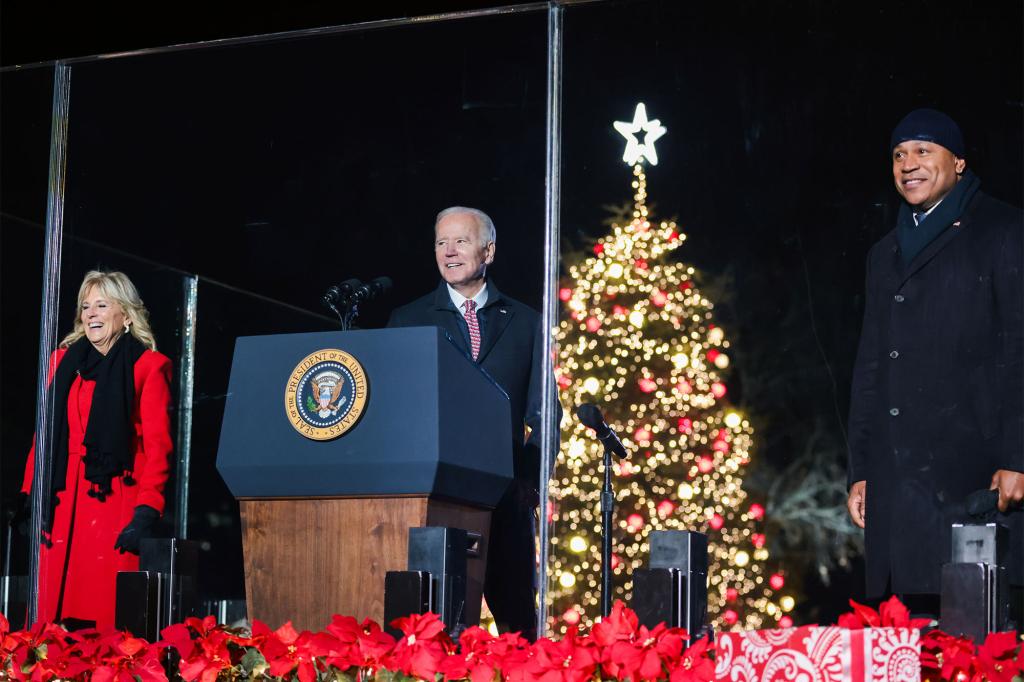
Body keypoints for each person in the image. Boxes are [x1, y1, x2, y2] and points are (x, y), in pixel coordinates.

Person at [847, 109, 1023, 613]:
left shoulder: (1004, 229)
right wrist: (861, 470)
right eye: (899, 155)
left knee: (980, 638)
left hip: (976, 479)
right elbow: (871, 368)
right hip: (900, 493)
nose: (909, 164)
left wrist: (1019, 457)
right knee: (907, 641)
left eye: (924, 150)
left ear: (959, 161)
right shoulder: (884, 254)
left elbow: (1020, 347)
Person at [388, 206, 551, 640]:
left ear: (488, 250)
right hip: (435, 500)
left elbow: (544, 414)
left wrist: (531, 486)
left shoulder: (527, 323)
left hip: (507, 501)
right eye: (441, 243)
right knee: (434, 629)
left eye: (461, 241)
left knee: (519, 627)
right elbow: (396, 411)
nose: (449, 252)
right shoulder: (408, 320)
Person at [20, 270, 173, 629]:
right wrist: (30, 494)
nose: (91, 314)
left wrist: (146, 511)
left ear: (126, 314)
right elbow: (43, 435)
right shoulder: (63, 364)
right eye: (85, 306)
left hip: (112, 501)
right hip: (60, 502)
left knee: (103, 616)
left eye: (102, 305)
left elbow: (157, 448)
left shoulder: (149, 366)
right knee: (48, 621)